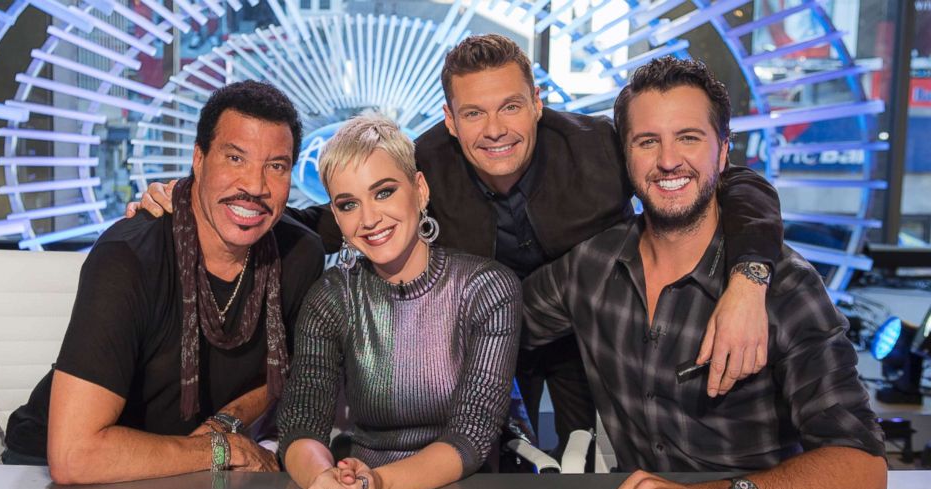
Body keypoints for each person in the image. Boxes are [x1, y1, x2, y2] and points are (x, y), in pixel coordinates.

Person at [129, 34, 784, 448]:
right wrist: (193, 207)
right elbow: (325, 218)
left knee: (592, 471)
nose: (493, 129)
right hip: (482, 334)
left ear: (537, 102)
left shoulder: (600, 148)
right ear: (449, 118)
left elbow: (737, 180)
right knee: (490, 464)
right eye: (473, 112)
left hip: (584, 337)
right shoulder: (422, 168)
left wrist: (749, 279)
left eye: (508, 106)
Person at [522, 56, 887, 489]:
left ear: (722, 153)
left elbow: (862, 470)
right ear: (625, 157)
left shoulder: (783, 288)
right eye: (647, 141)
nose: (668, 160)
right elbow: (493, 325)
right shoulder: (590, 267)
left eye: (689, 138)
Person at [3, 81, 325, 483]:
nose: (256, 185)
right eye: (235, 158)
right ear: (198, 159)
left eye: (275, 165)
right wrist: (221, 448)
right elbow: (75, 455)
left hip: (190, 468)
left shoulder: (298, 254)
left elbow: (283, 370)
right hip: (54, 476)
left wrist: (226, 423)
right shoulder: (129, 258)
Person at [275, 114, 521, 489]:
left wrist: (380, 486)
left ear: (420, 190)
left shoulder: (486, 287)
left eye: (384, 192)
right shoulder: (331, 296)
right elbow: (301, 421)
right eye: (348, 204)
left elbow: (473, 433)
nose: (369, 219)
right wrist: (325, 482)